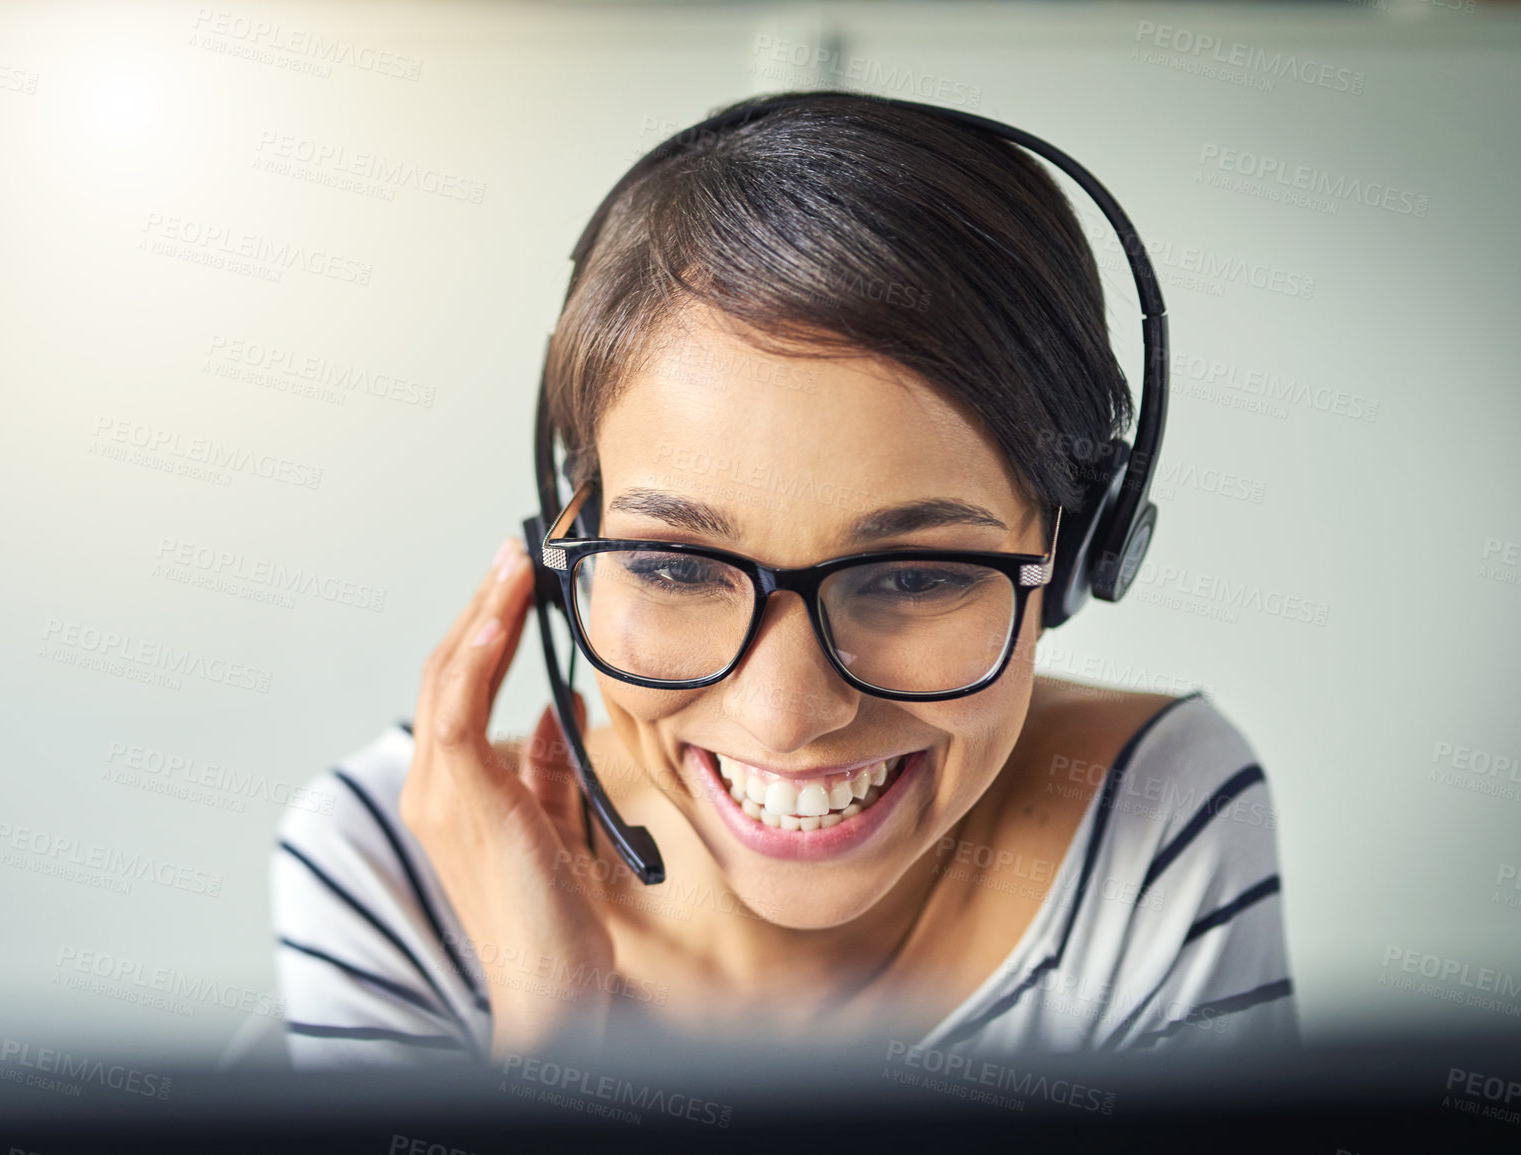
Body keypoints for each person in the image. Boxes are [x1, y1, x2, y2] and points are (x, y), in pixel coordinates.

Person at [270, 91, 1297, 1067]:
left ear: (1074, 560)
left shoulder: (1156, 817)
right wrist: (550, 1046)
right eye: (674, 565)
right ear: (562, 546)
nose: (788, 717)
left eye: (911, 576)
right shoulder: (380, 865)